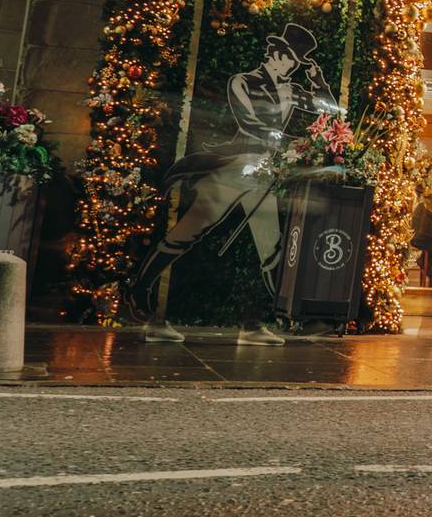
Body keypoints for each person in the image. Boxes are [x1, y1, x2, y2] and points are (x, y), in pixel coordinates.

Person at [124, 23, 334, 346]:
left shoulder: (291, 89)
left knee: (271, 246)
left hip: (264, 174)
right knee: (191, 230)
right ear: (276, 53)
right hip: (235, 167)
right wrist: (292, 143)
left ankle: (264, 319)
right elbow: (250, 123)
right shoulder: (243, 82)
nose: (293, 67)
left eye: (297, 63)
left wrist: (319, 83)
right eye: (291, 60)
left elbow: (328, 113)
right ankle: (142, 291)